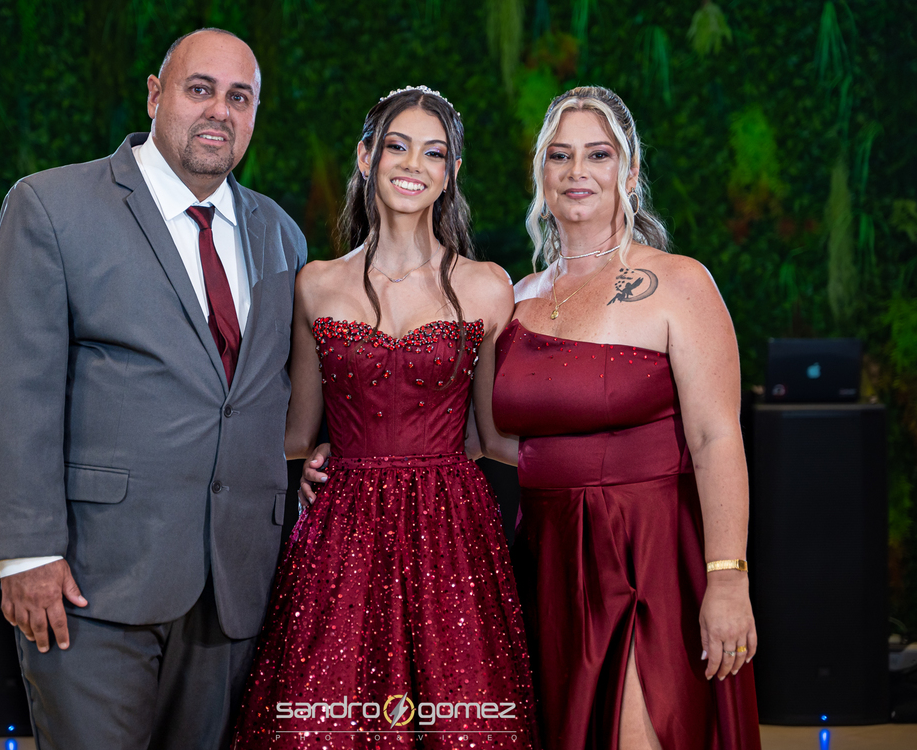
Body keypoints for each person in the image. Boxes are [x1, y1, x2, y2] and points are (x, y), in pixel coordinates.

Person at [0, 28, 307, 750]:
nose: (219, 111)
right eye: (199, 89)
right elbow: (13, 389)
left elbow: (269, 392)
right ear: (155, 95)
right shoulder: (53, 206)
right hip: (92, 582)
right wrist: (25, 552)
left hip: (233, 586)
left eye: (239, 97)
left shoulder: (280, 235)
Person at [233, 86, 538, 748]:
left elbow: (492, 437)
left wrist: (619, 462)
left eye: (434, 152)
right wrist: (306, 462)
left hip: (452, 532)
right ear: (366, 156)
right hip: (340, 534)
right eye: (398, 146)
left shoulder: (487, 285)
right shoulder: (316, 283)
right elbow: (296, 432)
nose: (414, 164)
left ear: (452, 171)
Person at [481, 86, 762, 750]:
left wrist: (727, 576)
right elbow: (485, 440)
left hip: (648, 555)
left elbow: (716, 438)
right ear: (541, 174)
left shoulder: (680, 283)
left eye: (598, 154)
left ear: (630, 173)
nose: (577, 171)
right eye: (560, 156)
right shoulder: (514, 299)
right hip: (545, 559)